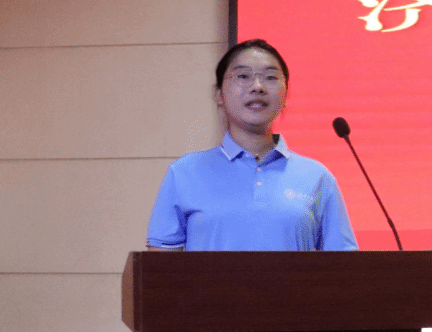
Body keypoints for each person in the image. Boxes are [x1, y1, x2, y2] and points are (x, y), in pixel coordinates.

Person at [147, 39, 358, 251]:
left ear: (285, 95)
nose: (258, 87)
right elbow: (160, 265)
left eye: (270, 77)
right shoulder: (185, 173)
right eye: (243, 76)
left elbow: (343, 265)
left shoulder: (317, 177)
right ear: (219, 94)